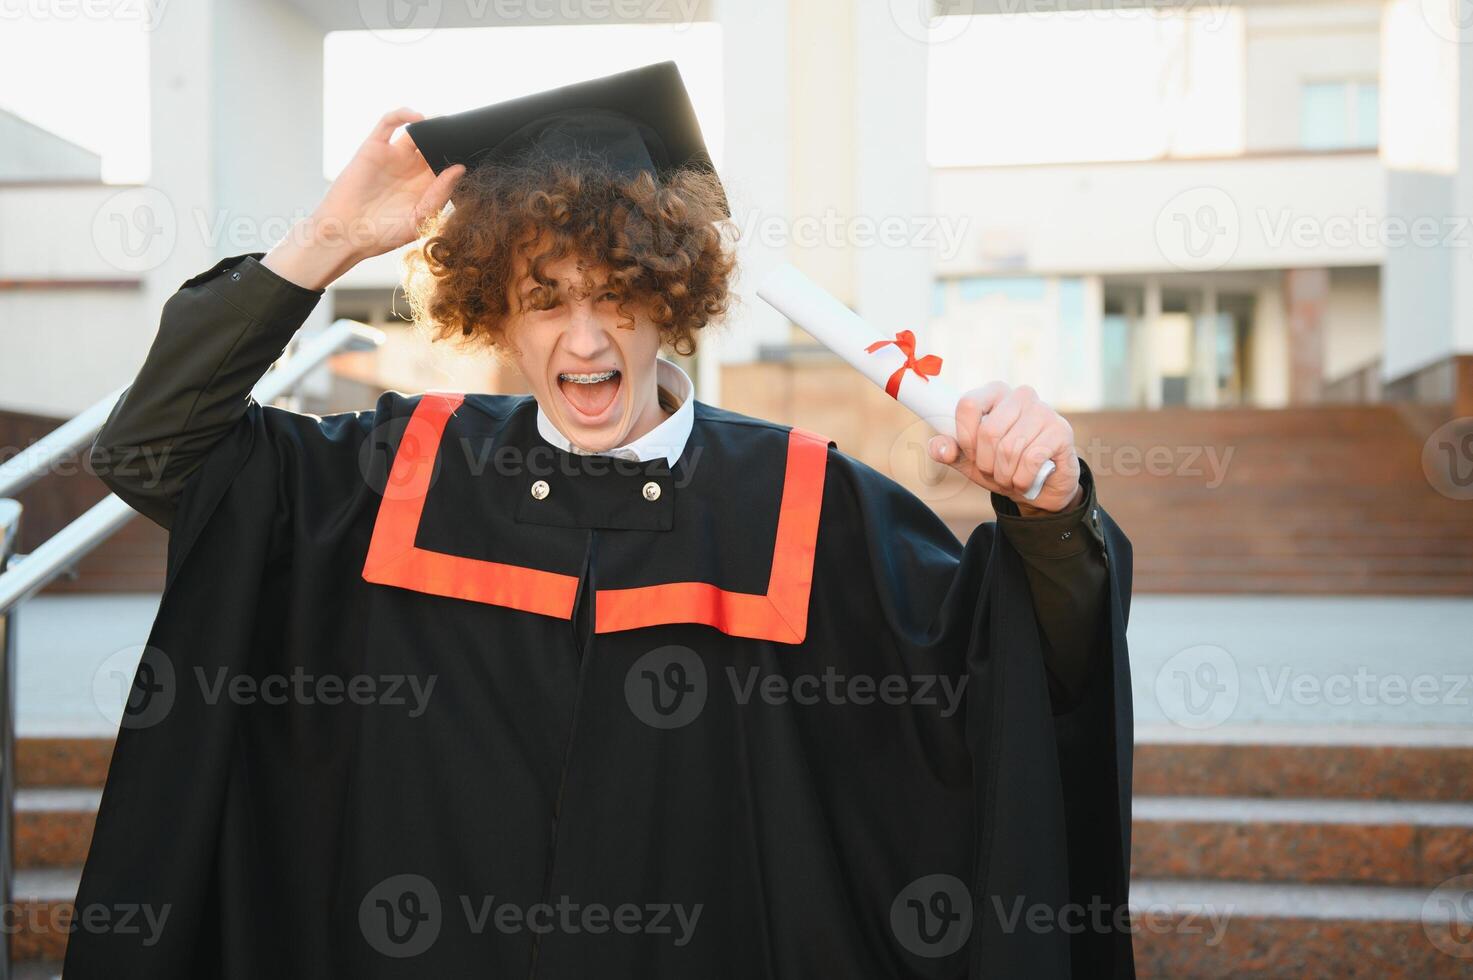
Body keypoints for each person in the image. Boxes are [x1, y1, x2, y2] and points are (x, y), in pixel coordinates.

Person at [67, 63, 1134, 978]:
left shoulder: (805, 502)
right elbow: (157, 447)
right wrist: (328, 240)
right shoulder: (398, 475)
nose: (584, 337)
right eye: (544, 296)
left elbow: (1013, 679)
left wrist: (1051, 508)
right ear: (496, 310)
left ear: (674, 293)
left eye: (617, 290)